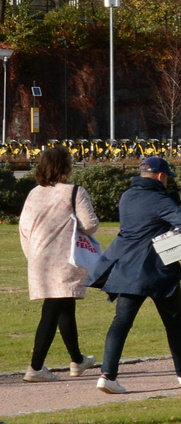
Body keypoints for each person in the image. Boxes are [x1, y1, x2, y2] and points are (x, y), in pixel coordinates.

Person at [86, 157, 181, 394]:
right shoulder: (159, 199)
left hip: (126, 269)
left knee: (121, 322)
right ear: (159, 176)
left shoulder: (127, 197)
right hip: (156, 272)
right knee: (174, 322)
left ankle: (108, 375)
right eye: (166, 178)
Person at [18, 145, 98, 382]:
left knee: (65, 307)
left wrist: (32, 256)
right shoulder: (74, 192)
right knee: (52, 311)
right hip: (64, 260)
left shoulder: (34, 193)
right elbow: (90, 224)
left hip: (39, 260)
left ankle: (77, 360)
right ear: (66, 168)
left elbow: (24, 228)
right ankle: (35, 367)